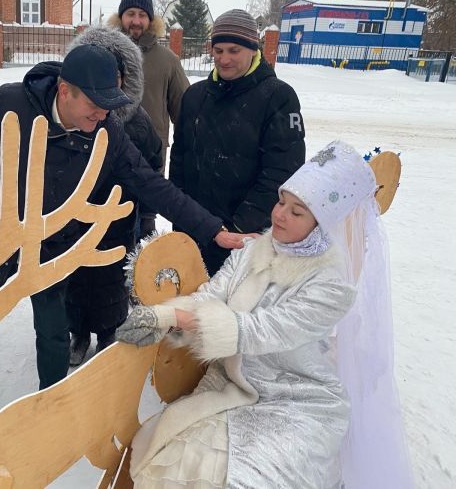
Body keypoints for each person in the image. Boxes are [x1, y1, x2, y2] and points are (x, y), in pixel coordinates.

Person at [0, 44, 253, 390]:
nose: (102, 116)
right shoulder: (10, 103)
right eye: (94, 106)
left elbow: (151, 184)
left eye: (108, 107)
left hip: (51, 247)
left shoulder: (106, 130)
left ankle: (52, 397)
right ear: (65, 91)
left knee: (53, 330)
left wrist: (215, 231)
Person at [117, 141, 413, 488]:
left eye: (297, 212)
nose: (280, 215)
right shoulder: (253, 251)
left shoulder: (331, 286)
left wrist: (180, 320)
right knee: (183, 463)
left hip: (296, 398)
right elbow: (213, 295)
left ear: (321, 224)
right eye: (281, 201)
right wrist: (165, 316)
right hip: (230, 384)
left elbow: (264, 330)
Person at [170, 9, 306, 276]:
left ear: (253, 49)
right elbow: (179, 160)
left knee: (231, 315)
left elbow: (282, 172)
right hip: (194, 231)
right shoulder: (194, 96)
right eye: (218, 50)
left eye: (234, 50)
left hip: (245, 239)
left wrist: (237, 229)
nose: (224, 59)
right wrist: (184, 218)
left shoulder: (278, 97)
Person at [63, 26, 163, 365]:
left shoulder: (137, 123)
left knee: (111, 282)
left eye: (118, 76)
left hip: (119, 219)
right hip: (74, 219)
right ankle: (78, 333)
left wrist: (147, 215)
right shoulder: (72, 118)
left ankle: (108, 333)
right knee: (75, 281)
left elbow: (153, 167)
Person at [108, 0, 190, 234]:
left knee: (143, 234)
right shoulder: (106, 54)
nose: (136, 20)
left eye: (142, 15)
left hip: (150, 161)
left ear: (151, 21)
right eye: (130, 13)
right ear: (121, 17)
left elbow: (184, 112)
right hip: (108, 153)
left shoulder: (167, 60)